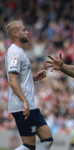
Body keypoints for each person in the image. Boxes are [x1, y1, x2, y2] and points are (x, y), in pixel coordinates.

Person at [5, 20, 53, 150]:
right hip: (23, 106)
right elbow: (12, 80)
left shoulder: (19, 51)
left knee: (47, 139)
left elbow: (19, 79)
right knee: (29, 146)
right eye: (24, 30)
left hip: (30, 104)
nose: (27, 32)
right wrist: (24, 101)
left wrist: (33, 78)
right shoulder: (15, 52)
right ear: (16, 33)